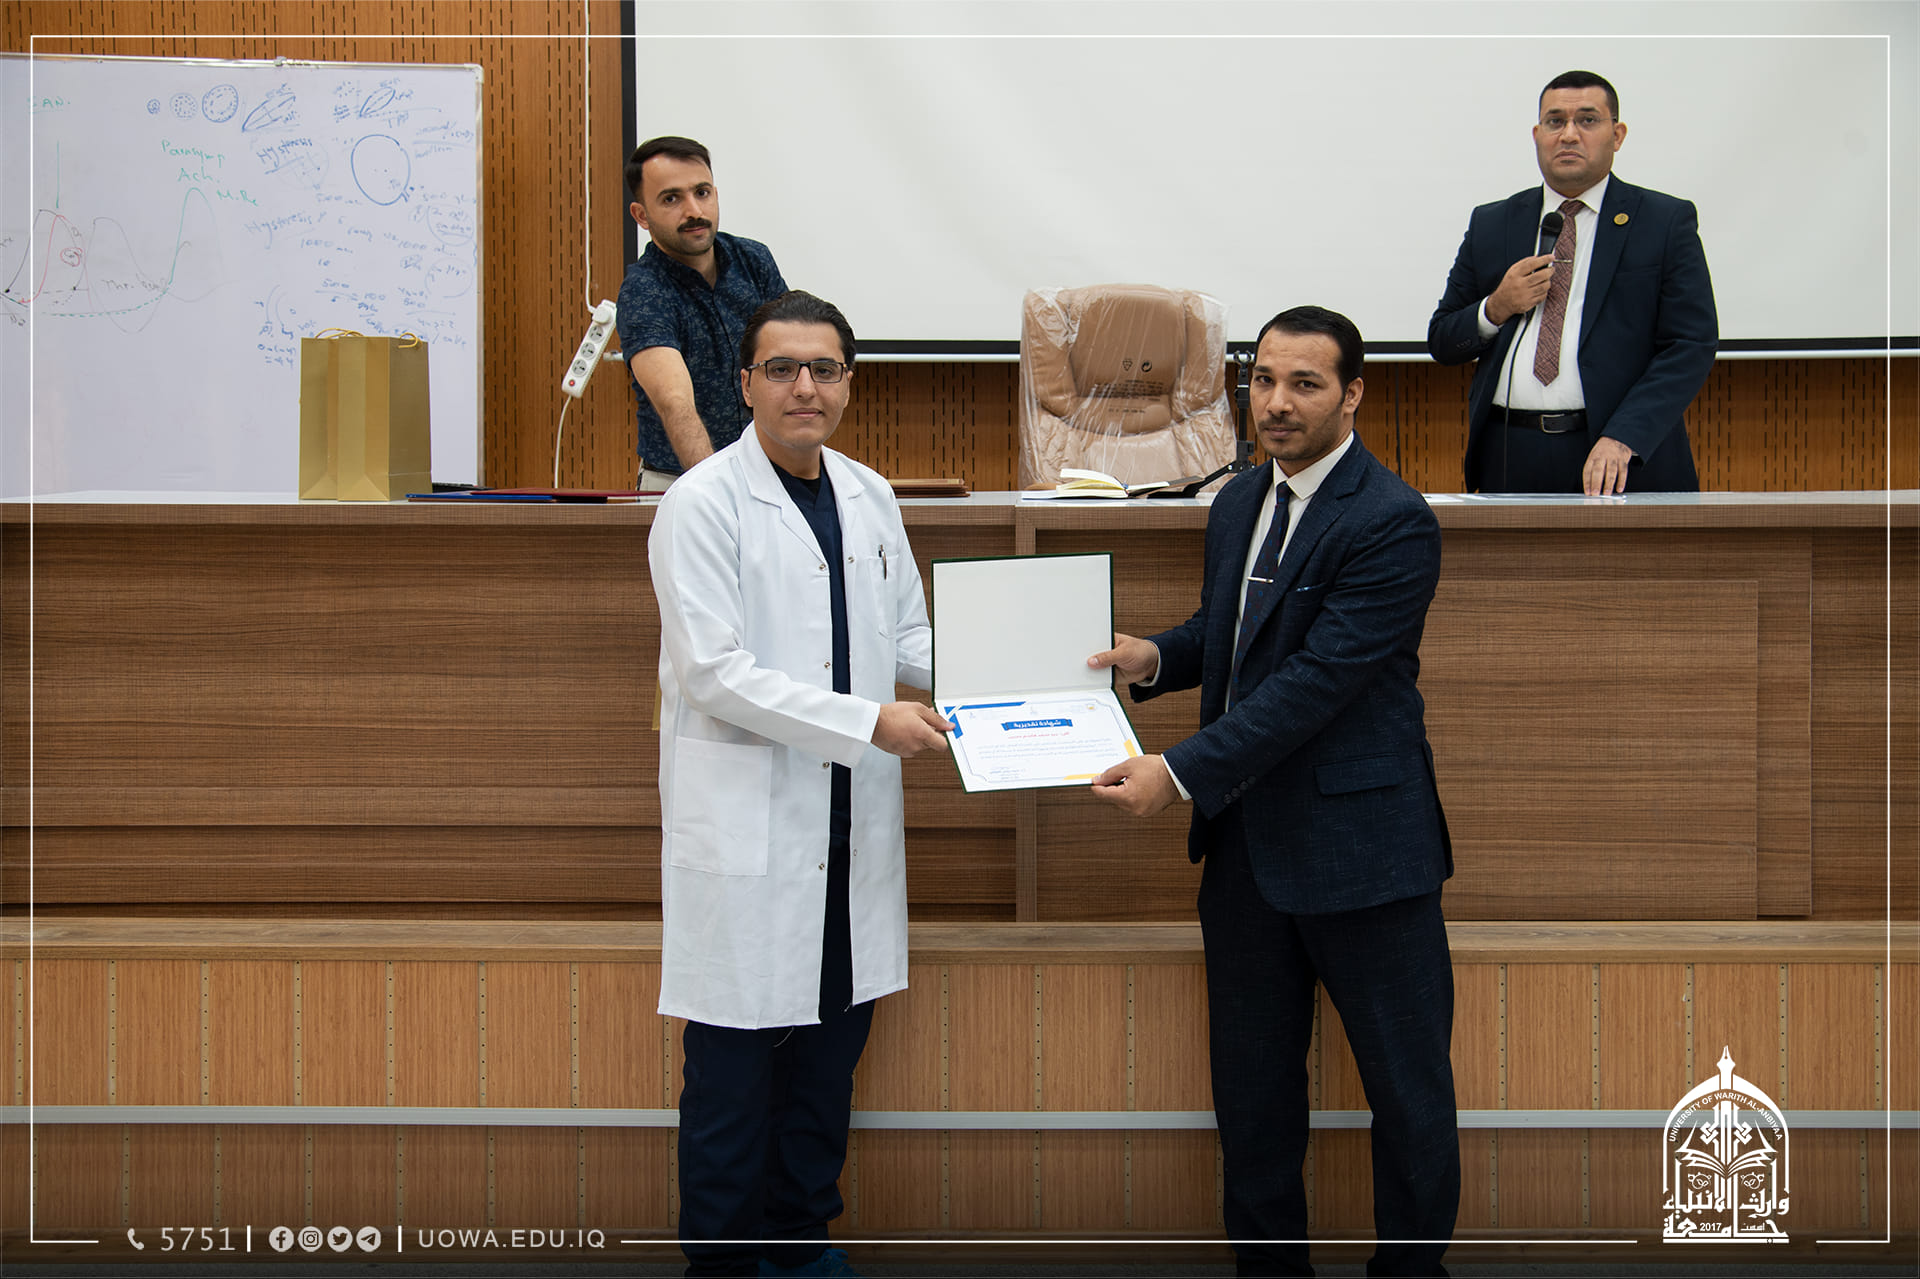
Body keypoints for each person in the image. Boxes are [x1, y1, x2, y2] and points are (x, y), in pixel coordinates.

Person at [1089, 306, 1458, 1277]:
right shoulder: (1240, 502)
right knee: (1253, 1102)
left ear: (1353, 394)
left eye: (1305, 384)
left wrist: (1177, 772)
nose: (1278, 403)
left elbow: (1314, 684)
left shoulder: (1392, 520)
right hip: (1248, 852)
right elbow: (1233, 631)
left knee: (1408, 1096)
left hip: (1367, 857)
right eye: (1263, 381)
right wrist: (1152, 656)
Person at [649, 290, 951, 1277]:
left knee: (828, 1064)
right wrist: (869, 722)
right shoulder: (702, 503)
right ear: (745, 384)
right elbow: (713, 672)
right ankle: (723, 1262)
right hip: (752, 823)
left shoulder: (869, 494)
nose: (804, 386)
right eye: (781, 368)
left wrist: (1024, 668)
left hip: (848, 829)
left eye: (823, 368)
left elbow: (909, 636)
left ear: (848, 384)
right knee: (733, 1074)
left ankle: (802, 1241)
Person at [1428, 70, 1717, 496]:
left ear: (1617, 135)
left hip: (1616, 453)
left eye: (1587, 120)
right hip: (1508, 451)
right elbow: (1443, 340)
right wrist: (1496, 307)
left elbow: (1690, 344)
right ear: (1537, 135)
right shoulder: (1493, 222)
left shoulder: (1663, 221)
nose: (1568, 135)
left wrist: (1624, 437)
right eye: (1555, 121)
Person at [619, 135, 788, 489]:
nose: (693, 211)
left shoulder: (753, 260)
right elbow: (675, 403)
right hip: (680, 482)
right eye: (671, 199)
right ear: (641, 215)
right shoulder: (644, 290)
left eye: (702, 192)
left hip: (768, 473)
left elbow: (790, 356)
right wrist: (719, 492)